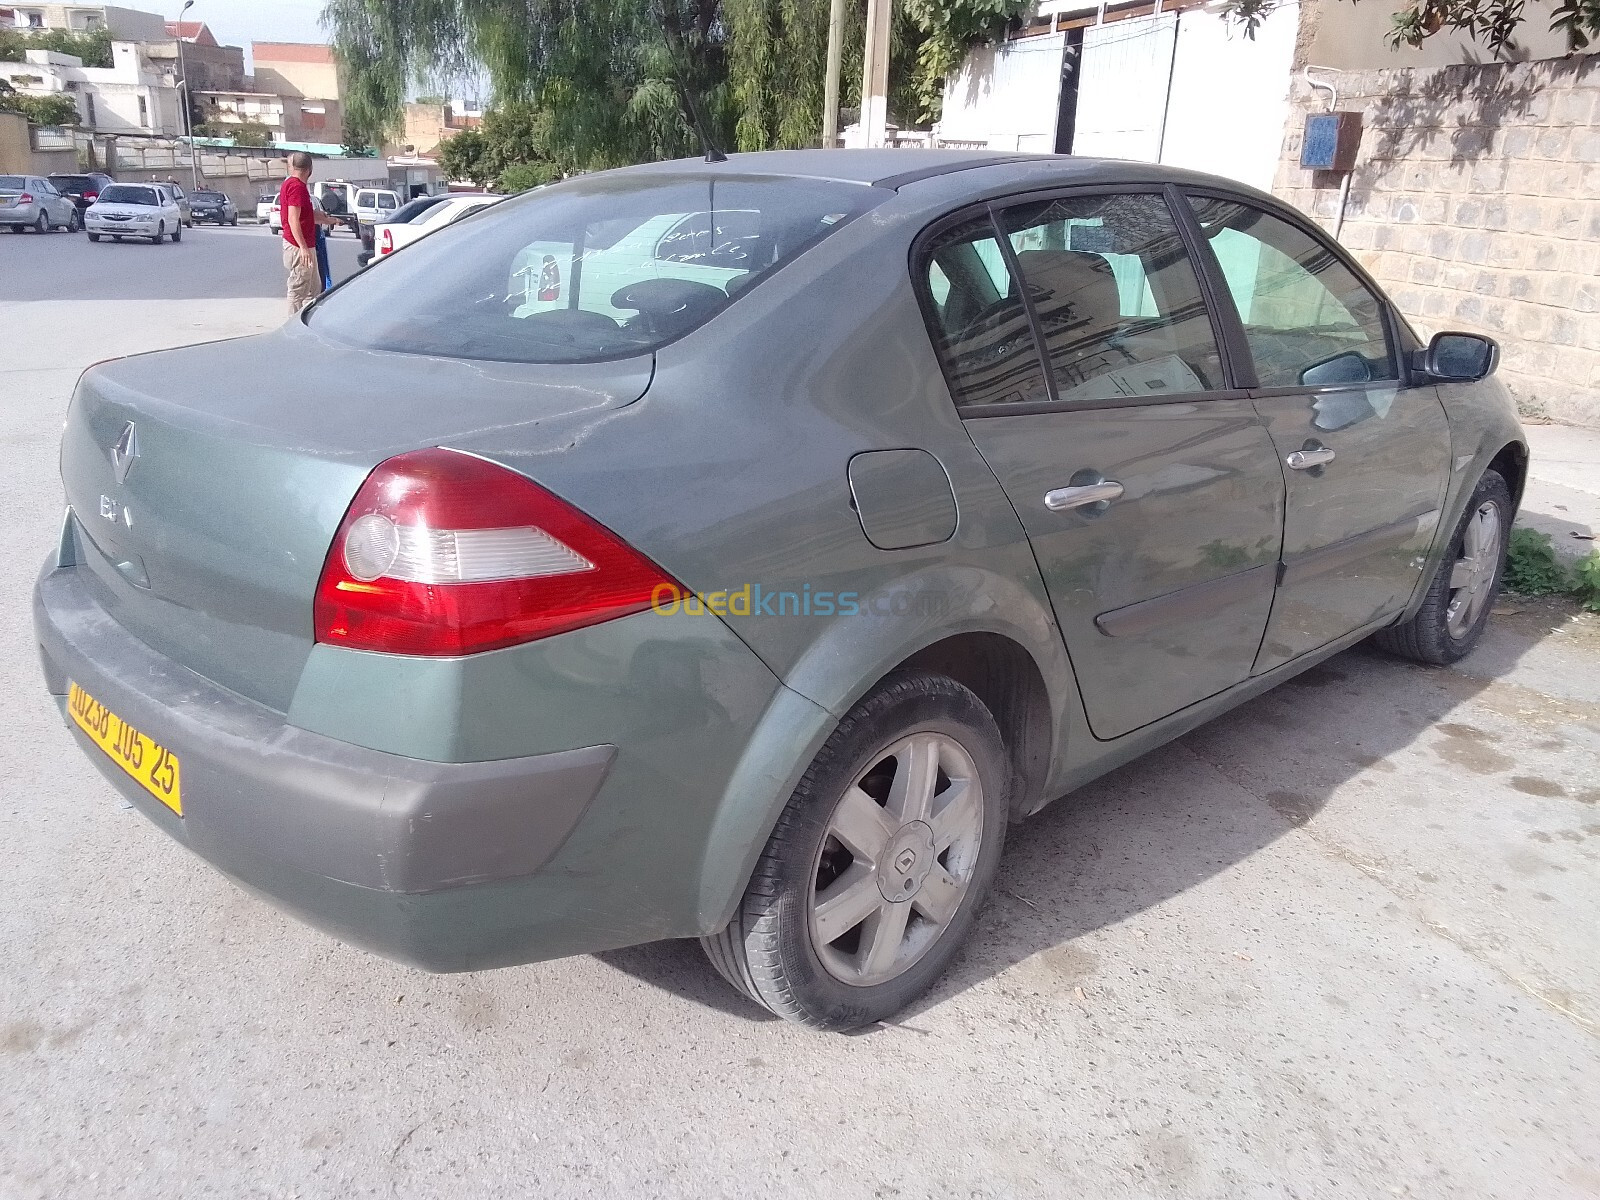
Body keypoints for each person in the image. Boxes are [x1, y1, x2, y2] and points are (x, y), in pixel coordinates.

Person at [277, 153, 320, 313]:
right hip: (299, 247)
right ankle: (293, 328)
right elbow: (293, 219)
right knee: (298, 290)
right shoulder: (296, 187)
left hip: (306, 245)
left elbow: (305, 216)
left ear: (292, 167)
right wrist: (302, 247)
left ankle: (309, 322)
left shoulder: (294, 185)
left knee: (313, 290)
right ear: (309, 170)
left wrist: (328, 220)